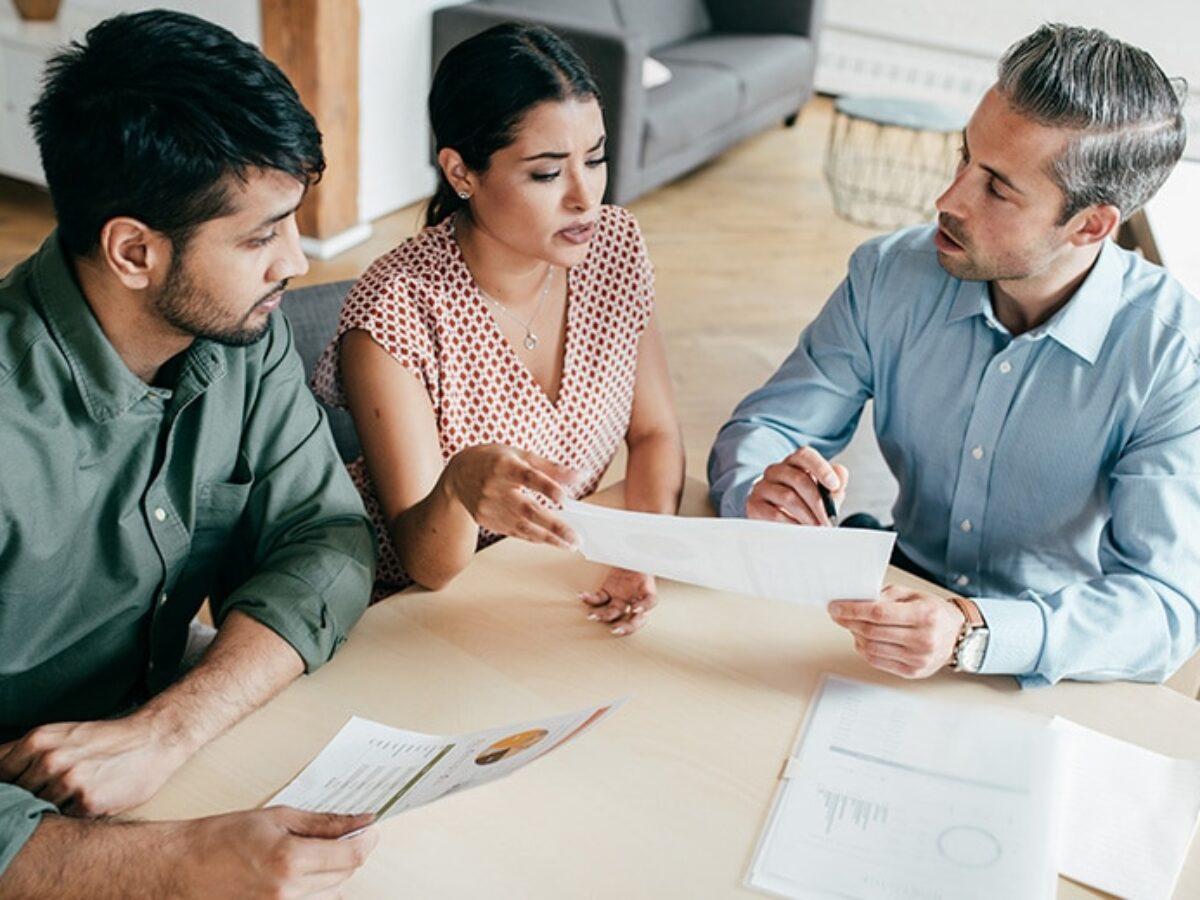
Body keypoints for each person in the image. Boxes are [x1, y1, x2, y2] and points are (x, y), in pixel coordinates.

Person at [0, 11, 379, 895]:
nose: (295, 260)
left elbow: (327, 539)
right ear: (134, 250)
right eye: (259, 237)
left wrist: (168, 729)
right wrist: (175, 861)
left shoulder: (243, 333)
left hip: (172, 770)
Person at [708, 24, 1197, 688]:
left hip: (1050, 654)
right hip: (888, 597)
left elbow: (1163, 607)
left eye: (997, 188)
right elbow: (767, 429)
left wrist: (973, 630)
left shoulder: (1173, 351)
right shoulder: (888, 274)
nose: (947, 200)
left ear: (1090, 226)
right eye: (964, 158)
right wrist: (759, 490)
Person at [313, 23, 684, 635]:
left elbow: (656, 433)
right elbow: (424, 564)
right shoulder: (394, 307)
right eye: (546, 174)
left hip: (551, 578)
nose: (584, 197)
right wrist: (460, 487)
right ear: (462, 173)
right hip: (414, 614)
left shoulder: (614, 246)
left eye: (595, 159)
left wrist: (637, 553)